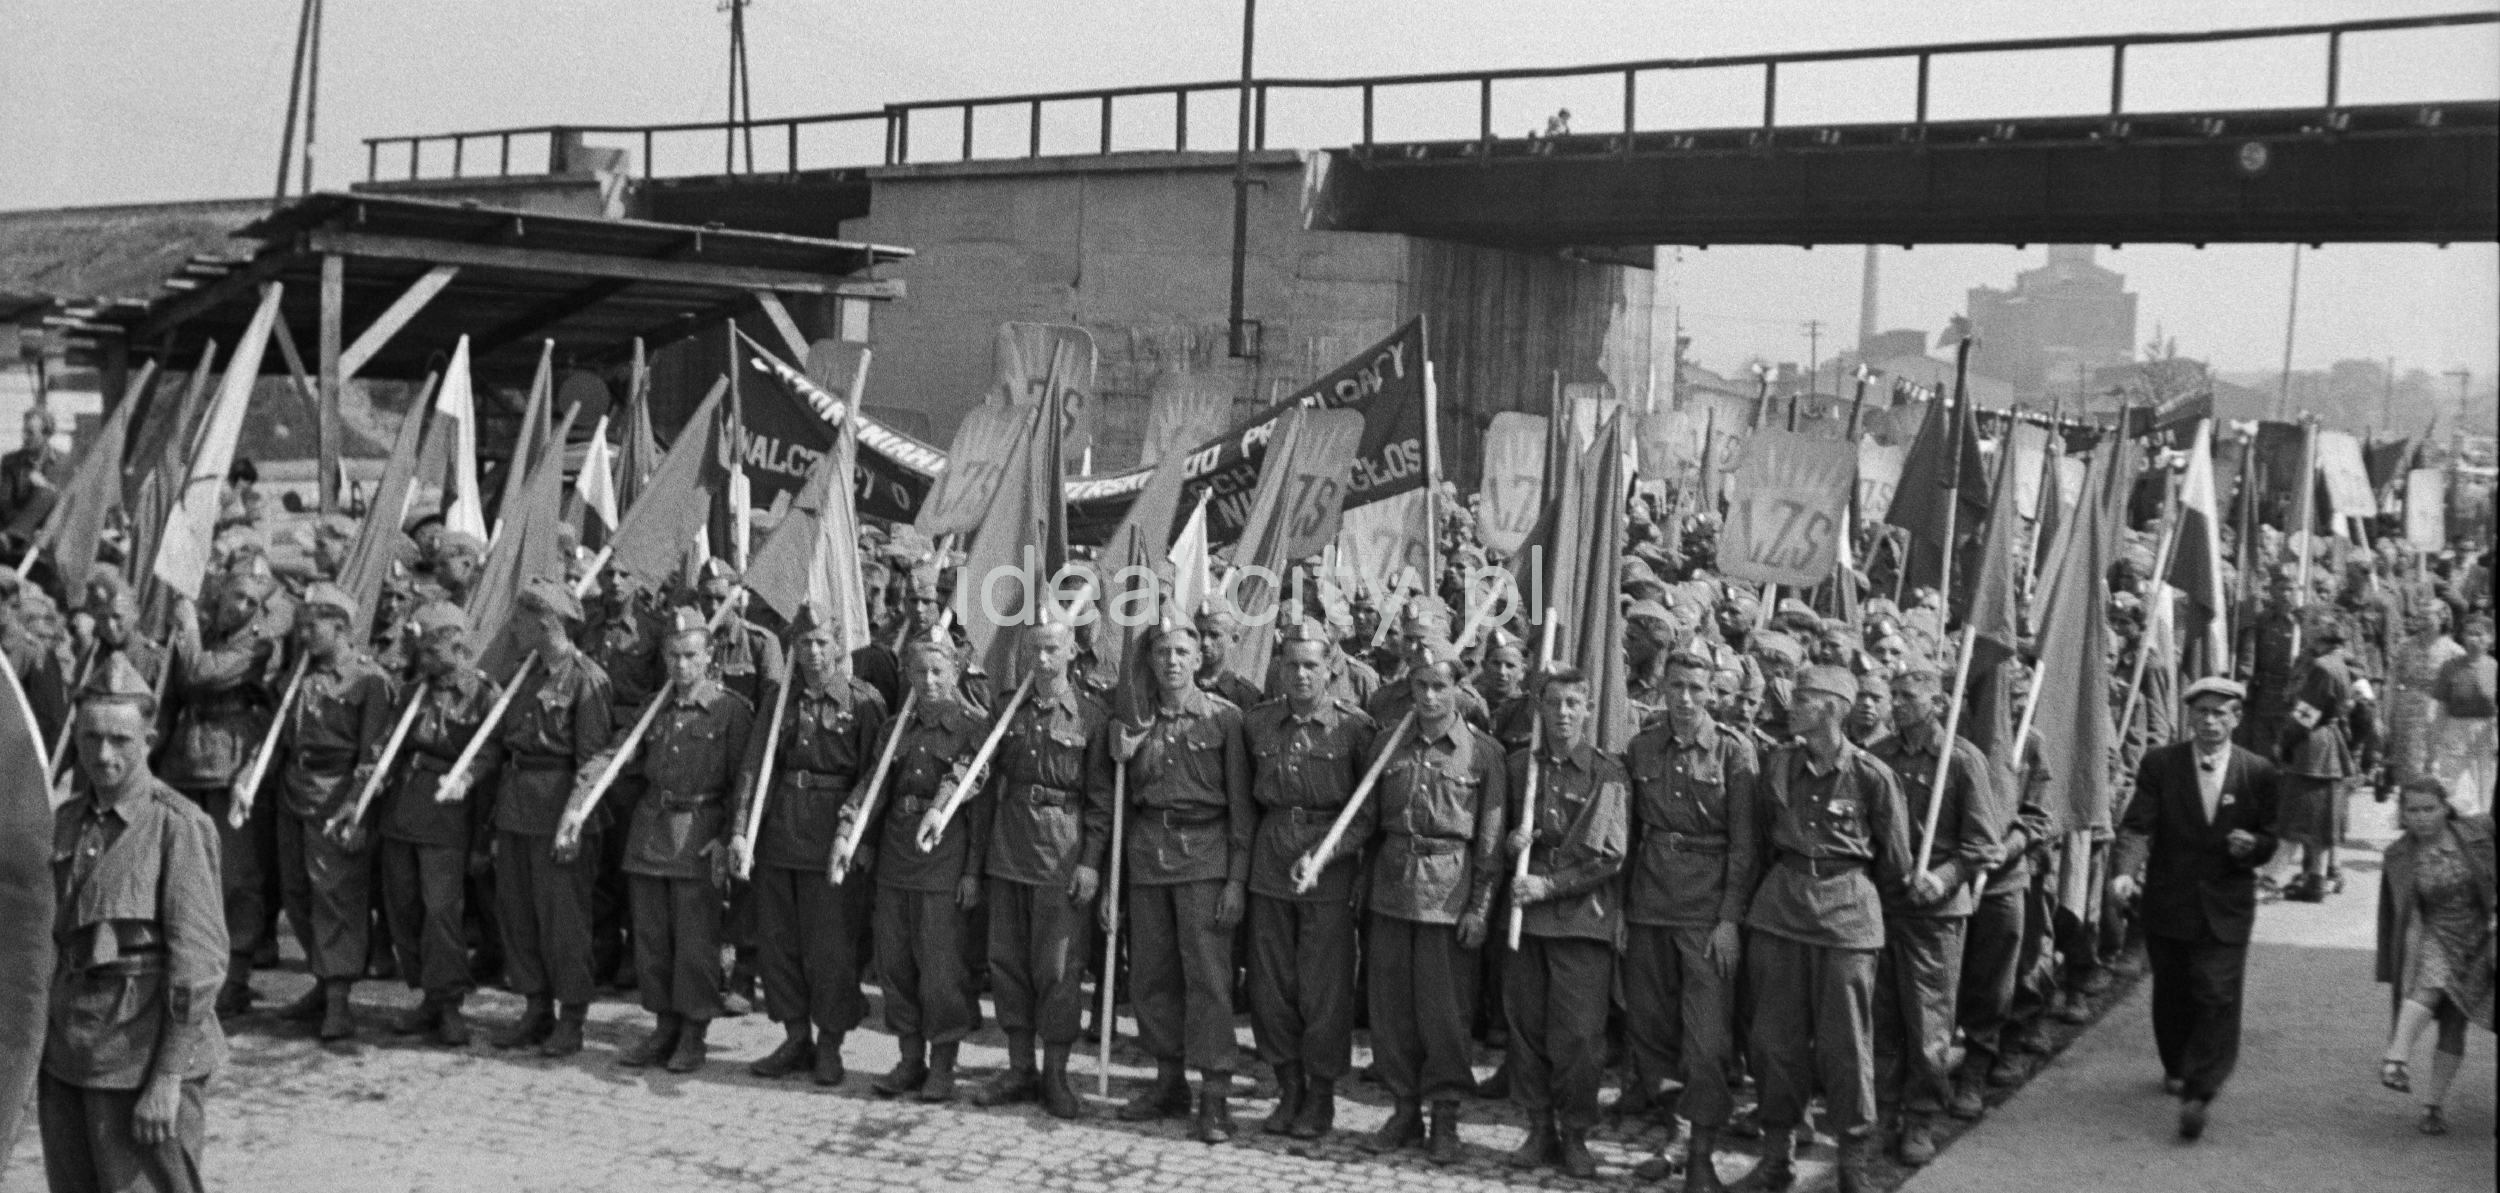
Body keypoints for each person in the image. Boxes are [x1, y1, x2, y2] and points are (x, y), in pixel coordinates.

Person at [41, 655, 229, 1193]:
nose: (103, 754)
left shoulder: (178, 826)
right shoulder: (66, 821)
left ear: (149, 737)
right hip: (71, 1055)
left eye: (120, 739)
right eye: (91, 737)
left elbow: (199, 967)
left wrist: (168, 1077)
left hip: (144, 1058)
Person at [1744, 663, 1916, 1193]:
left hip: (1846, 918)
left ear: (1831, 709)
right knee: (1775, 1042)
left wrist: (1849, 891)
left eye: (1801, 698)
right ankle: (1777, 1156)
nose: (1789, 705)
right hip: (1782, 912)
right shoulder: (1778, 766)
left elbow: (1897, 863)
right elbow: (1765, 839)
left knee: (1846, 1047)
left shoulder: (1870, 776)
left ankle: (1853, 1164)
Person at [573, 606, 753, 1074]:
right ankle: (663, 1028)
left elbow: (743, 783)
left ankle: (694, 1033)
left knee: (695, 942)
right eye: (673, 656)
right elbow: (617, 753)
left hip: (698, 833)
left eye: (691, 656)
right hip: (651, 830)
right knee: (651, 940)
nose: (681, 666)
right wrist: (583, 792)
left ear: (710, 655)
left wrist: (728, 835)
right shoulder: (655, 705)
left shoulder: (730, 710)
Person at [2112, 676, 2282, 1141]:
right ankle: (2176, 1064)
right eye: (2202, 712)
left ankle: (2200, 1093)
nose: (2210, 721)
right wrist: (2125, 871)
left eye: (2220, 713)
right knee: (2174, 992)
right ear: (2190, 715)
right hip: (2169, 900)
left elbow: (2271, 838)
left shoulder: (2258, 772)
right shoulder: (2161, 765)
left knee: (2216, 993)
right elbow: (2137, 826)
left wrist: (2254, 845)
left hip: (2227, 905)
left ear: (2236, 718)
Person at [1359, 637, 1507, 1165]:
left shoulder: (1483, 753)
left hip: (1450, 894)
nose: (1428, 697)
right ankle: (1404, 1108)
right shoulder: (1385, 747)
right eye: (1419, 686)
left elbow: (1489, 845)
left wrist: (1481, 908)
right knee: (1392, 1010)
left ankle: (1445, 1114)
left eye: (1439, 686)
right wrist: (1321, 855)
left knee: (1445, 1013)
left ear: (1457, 689)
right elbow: (1365, 822)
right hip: (1393, 891)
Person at [731, 602, 887, 1088]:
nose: (814, 653)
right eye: (804, 644)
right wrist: (740, 831)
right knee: (779, 945)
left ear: (839, 645)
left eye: (822, 642)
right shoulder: (781, 699)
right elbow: (755, 768)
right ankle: (795, 1036)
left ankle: (831, 1044)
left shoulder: (864, 703)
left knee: (831, 950)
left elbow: (875, 779)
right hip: (780, 836)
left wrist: (863, 841)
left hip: (831, 843)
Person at [1111, 620, 1254, 1143]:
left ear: (1198, 659)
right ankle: (1168, 1081)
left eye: (1182, 652)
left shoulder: (1225, 720)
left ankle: (1214, 1093)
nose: (1171, 661)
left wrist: (1236, 881)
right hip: (1149, 857)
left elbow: (1242, 810)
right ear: (1149, 661)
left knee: (1209, 980)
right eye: (1162, 652)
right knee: (1151, 976)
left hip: (1206, 860)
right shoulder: (1133, 720)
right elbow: (1124, 804)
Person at [1622, 649, 1758, 1192]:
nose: (1685, 699)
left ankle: (1700, 1151)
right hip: (1650, 905)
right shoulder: (1641, 747)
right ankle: (1675, 1128)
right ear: (1660, 687)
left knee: (1706, 1037)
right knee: (1652, 1028)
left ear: (1712, 694)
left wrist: (1729, 920)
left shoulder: (1733, 752)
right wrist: (1623, 912)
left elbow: (1745, 848)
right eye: (1676, 687)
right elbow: (1629, 836)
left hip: (1706, 914)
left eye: (1696, 689)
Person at [463, 579, 613, 1056]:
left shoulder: (587, 678)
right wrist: (469, 777)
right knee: (519, 914)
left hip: (559, 807)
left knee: (563, 920)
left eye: (524, 619)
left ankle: (571, 1016)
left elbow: (593, 759)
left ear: (548, 623)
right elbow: (497, 743)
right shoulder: (523, 674)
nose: (515, 627)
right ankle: (534, 1007)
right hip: (516, 807)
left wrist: (574, 815)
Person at [971, 619, 1110, 1120]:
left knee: (1057, 970)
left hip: (1061, 855)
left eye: (1052, 648)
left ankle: (1055, 1072)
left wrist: (1091, 863)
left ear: (1072, 649)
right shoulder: (1009, 710)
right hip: (1009, 850)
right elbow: (984, 779)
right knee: (1007, 964)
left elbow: (1100, 802)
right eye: (1035, 650)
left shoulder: (1091, 715)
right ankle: (1017, 1066)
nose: (1043, 659)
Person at [1867, 661, 2004, 1166]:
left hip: (1937, 914)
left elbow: (1984, 844)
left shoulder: (1962, 760)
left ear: (1937, 703)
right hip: (1884, 906)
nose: (1896, 703)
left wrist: (1943, 878)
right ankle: (1882, 1111)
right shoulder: (1877, 756)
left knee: (1928, 1023)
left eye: (1908, 696)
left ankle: (1921, 1115)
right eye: (1894, 694)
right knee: (1881, 1019)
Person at [1247, 620, 1378, 1139]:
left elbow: (1367, 813)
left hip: (1329, 868)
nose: (1301, 675)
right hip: (1270, 861)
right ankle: (1288, 1088)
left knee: (1324, 989)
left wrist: (1327, 855)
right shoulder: (1257, 724)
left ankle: (1320, 1094)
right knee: (1270, 985)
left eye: (1311, 665)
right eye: (1292, 664)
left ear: (1330, 668)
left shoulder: (1354, 728)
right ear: (1278, 667)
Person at [1501, 666, 1630, 1178]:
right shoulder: (1518, 768)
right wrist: (1511, 844)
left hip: (1581, 921)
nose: (1562, 714)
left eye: (1573, 705)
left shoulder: (1606, 773)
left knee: (1578, 1037)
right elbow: (1493, 837)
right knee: (1525, 1030)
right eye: (1553, 704)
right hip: (1523, 921)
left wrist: (1549, 886)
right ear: (1540, 708)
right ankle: (1539, 1127)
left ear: (1588, 710)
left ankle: (1576, 1133)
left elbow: (1610, 856)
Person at [269, 582, 396, 1043]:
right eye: (301, 625)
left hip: (337, 797)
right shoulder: (300, 674)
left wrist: (355, 812)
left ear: (341, 628)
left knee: (336, 896)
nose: (303, 635)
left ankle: (340, 1000)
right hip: (293, 793)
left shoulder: (369, 681)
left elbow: (373, 757)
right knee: (297, 891)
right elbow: (279, 739)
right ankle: (323, 983)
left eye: (312, 626)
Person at [371, 602, 502, 1047]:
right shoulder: (413, 693)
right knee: (402, 909)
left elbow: (491, 753)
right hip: (402, 812)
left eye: (430, 651)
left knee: (442, 911)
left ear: (458, 648)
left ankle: (448, 1004)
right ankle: (426, 995)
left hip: (447, 818)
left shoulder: (484, 695)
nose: (421, 660)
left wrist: (468, 777)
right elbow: (388, 746)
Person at [854, 635, 975, 1097]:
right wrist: (855, 836)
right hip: (895, 857)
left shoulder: (971, 727)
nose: (928, 681)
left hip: (942, 860)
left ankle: (943, 1062)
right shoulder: (893, 730)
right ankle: (909, 1057)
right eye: (920, 672)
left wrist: (971, 872)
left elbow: (971, 782)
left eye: (938, 672)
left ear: (955, 674)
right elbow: (874, 789)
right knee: (896, 963)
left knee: (940, 968)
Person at [161, 572, 287, 1016]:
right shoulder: (204, 633)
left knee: (236, 877)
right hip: (185, 760)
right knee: (184, 873)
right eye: (236, 596)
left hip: (229, 761)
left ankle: (235, 975)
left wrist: (188, 630)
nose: (242, 608)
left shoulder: (256, 645)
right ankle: (189, 965)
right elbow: (174, 691)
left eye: (252, 601)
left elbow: (200, 675)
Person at [2375, 778, 2494, 1135]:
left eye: (2429, 808)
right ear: (2403, 814)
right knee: (2432, 980)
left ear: (2445, 808)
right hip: (2436, 933)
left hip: (2480, 939)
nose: (2422, 817)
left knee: (2455, 1027)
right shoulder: (2397, 855)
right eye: (2413, 810)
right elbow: (2403, 919)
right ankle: (2395, 1057)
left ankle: (2434, 1105)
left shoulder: (2479, 831)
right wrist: (2404, 970)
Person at [2428, 615, 2496, 815]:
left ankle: (2480, 832)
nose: (2475, 639)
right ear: (2462, 638)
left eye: (2480, 634)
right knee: (2453, 784)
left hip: (2486, 731)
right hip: (2455, 730)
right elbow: (2440, 707)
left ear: (2491, 638)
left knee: (2485, 784)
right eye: (2470, 634)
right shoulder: (2449, 667)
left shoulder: (2493, 667)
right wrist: (2434, 740)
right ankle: (2457, 830)